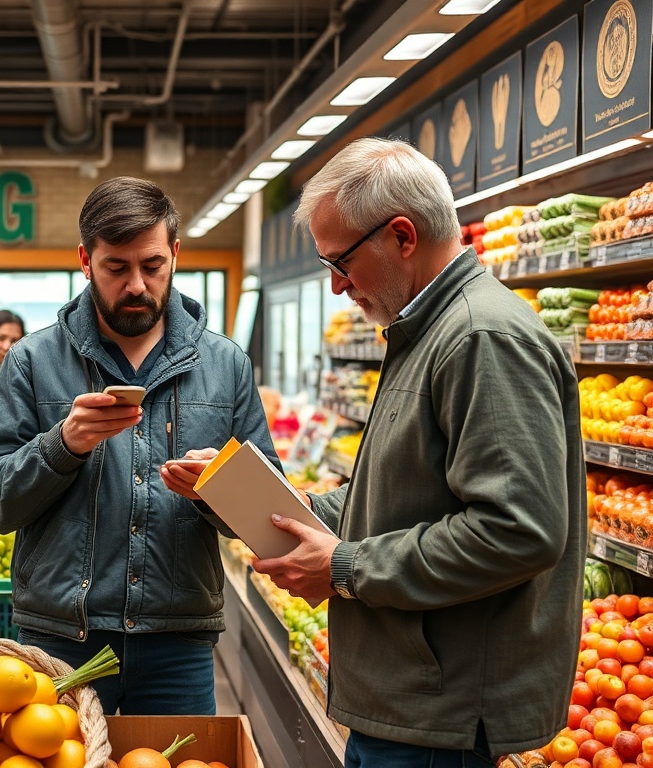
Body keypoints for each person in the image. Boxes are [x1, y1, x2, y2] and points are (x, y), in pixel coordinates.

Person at [250, 138, 585, 765]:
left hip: (442, 719)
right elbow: (412, 491)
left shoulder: (480, 336)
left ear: (402, 236)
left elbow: (519, 530)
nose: (336, 286)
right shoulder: (426, 330)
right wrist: (291, 507)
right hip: (410, 702)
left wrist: (346, 567)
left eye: (341, 263)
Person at [0, 176, 276, 715]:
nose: (136, 285)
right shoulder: (32, 362)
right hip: (60, 638)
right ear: (85, 261)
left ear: (175, 254)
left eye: (152, 265)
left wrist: (220, 488)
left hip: (177, 646)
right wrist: (62, 446)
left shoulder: (226, 365)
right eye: (117, 268)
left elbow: (268, 516)